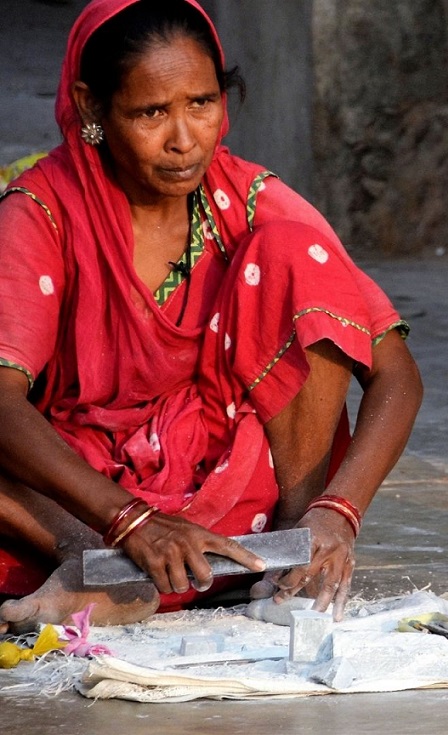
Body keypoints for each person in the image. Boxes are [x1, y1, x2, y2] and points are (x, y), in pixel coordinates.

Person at [0, 0, 423, 631]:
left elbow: (397, 375)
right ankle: (93, 564)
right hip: (74, 496)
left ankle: (285, 563)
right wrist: (128, 522)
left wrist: (336, 513)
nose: (184, 138)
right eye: (151, 113)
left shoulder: (251, 199)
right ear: (92, 108)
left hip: (225, 485)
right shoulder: (42, 211)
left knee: (294, 255)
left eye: (202, 103)